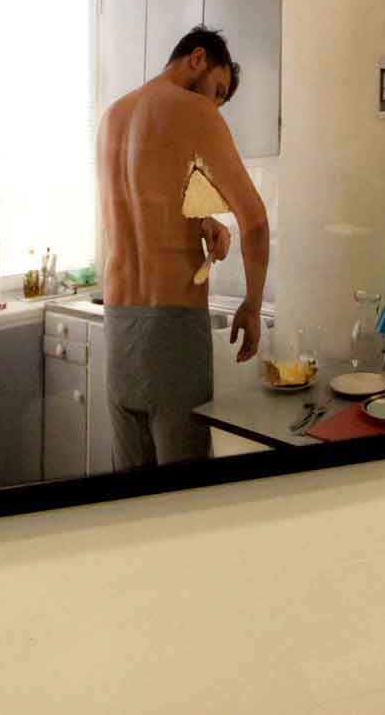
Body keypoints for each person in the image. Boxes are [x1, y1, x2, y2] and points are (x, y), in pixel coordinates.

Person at [96, 25, 271, 469]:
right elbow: (254, 221)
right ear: (197, 59)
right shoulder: (193, 110)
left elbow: (143, 206)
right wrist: (251, 306)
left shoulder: (112, 116)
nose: (215, 104)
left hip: (118, 329)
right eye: (218, 90)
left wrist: (204, 221)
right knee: (186, 496)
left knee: (133, 496)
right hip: (171, 332)